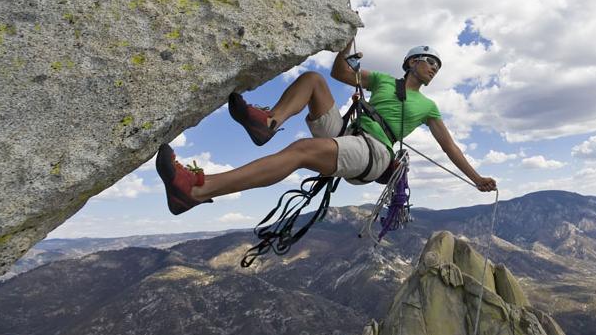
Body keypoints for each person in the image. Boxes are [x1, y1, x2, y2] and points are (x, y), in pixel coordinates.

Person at [157, 40, 497, 215]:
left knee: (302, 151)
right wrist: (346, 43)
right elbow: (339, 74)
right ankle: (269, 123)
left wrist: (476, 178)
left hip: (375, 152)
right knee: (314, 81)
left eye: (438, 65)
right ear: (411, 62)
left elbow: (450, 147)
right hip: (350, 135)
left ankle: (198, 190)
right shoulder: (380, 80)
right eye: (430, 61)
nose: (435, 68)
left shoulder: (429, 107)